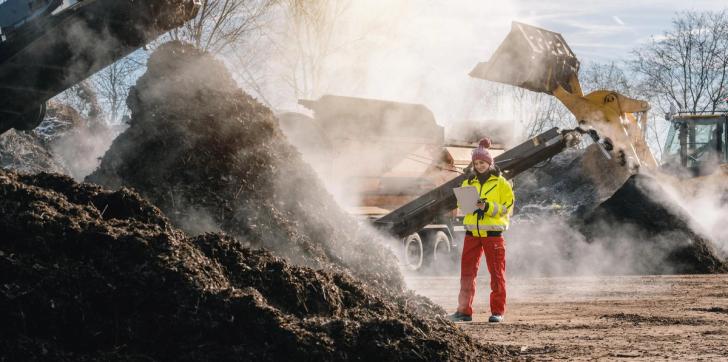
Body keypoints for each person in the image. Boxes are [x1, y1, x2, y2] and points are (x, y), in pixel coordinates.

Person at [449, 137, 514, 323]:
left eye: (482, 162)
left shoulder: (502, 183)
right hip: (471, 234)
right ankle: (464, 312)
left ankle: (497, 312)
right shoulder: (468, 183)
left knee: (497, 274)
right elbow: (463, 205)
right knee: (467, 274)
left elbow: (507, 207)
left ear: (489, 162)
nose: (479, 166)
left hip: (493, 235)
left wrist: (486, 206)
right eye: (476, 163)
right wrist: (468, 204)